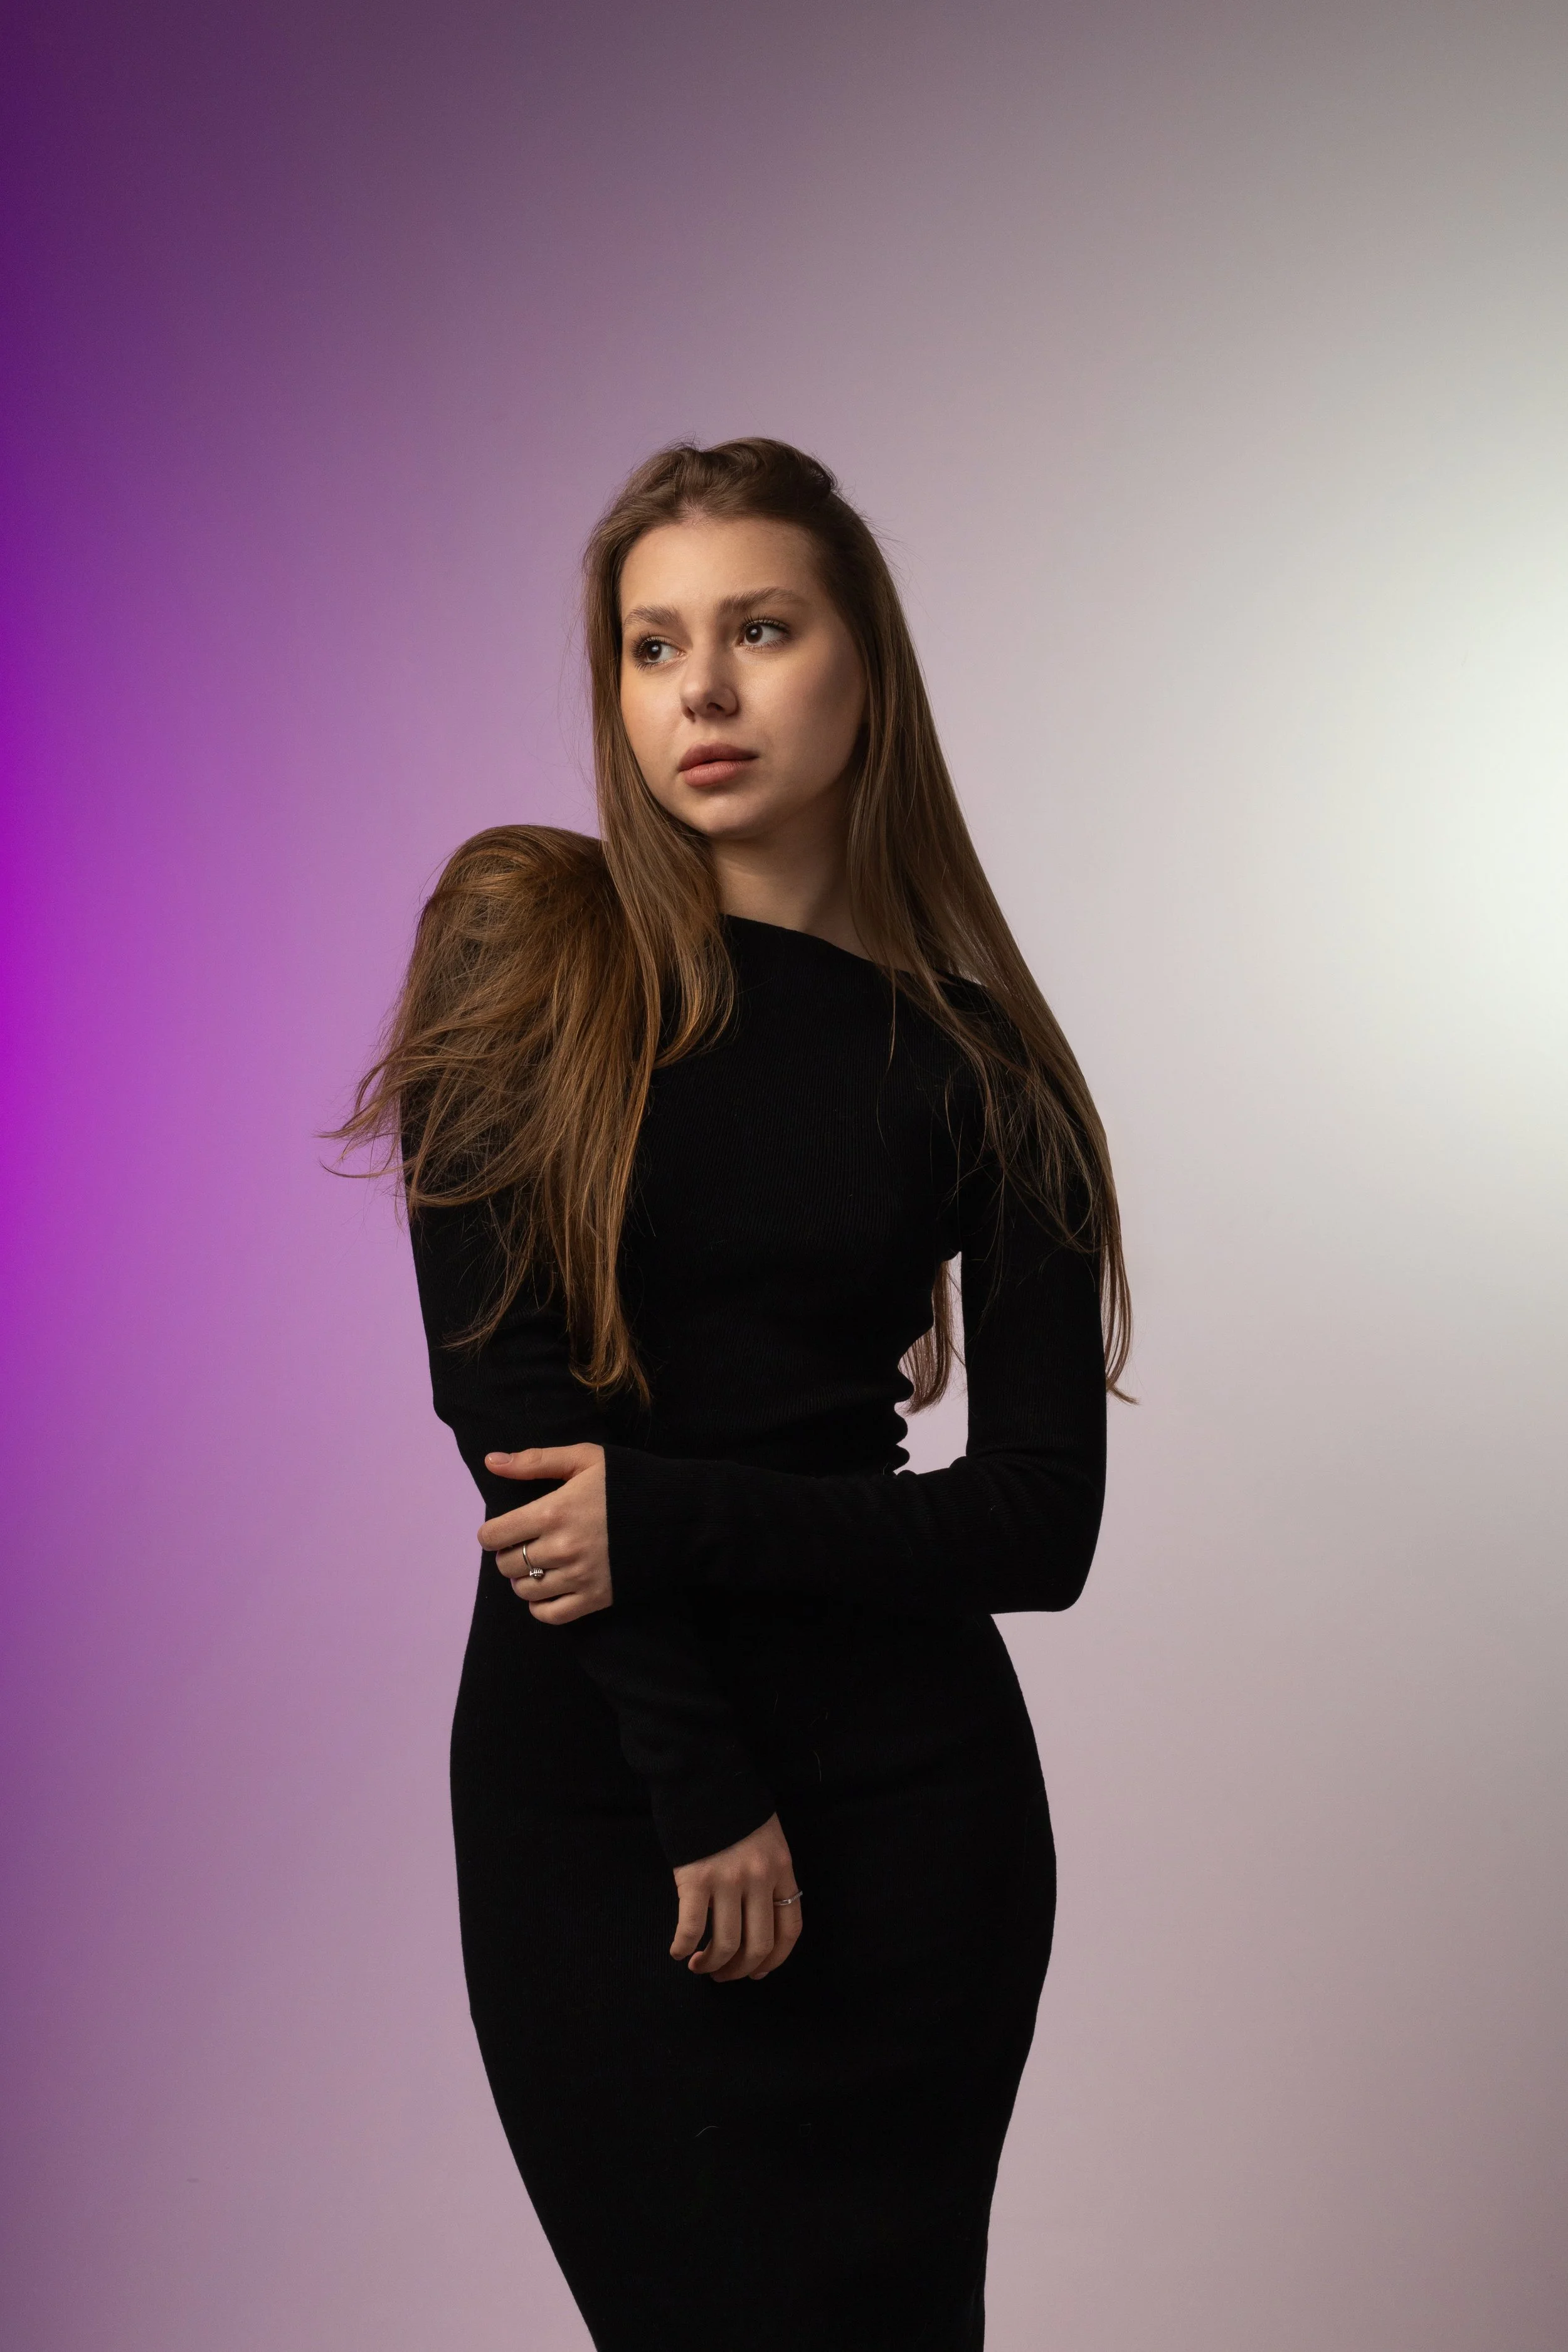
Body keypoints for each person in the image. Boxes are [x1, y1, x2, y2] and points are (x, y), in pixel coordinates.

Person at [340, 437, 1129, 2350]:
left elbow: (1038, 1524)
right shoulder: (528, 948)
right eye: (650, 644)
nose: (698, 689)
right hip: (602, 1792)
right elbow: (507, 1410)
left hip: (915, 1807)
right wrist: (702, 1791)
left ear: (866, 666)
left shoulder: (980, 1062)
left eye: (758, 631)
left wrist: (671, 1509)